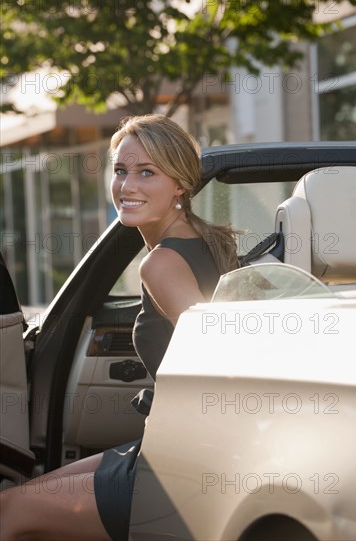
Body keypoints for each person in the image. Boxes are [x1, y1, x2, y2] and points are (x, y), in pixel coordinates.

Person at [0, 114, 239, 540]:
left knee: (9, 513)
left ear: (180, 184)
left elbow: (218, 360)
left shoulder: (161, 263)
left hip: (184, 462)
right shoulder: (205, 243)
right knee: (21, 495)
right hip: (174, 446)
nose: (126, 186)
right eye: (121, 171)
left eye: (147, 172)